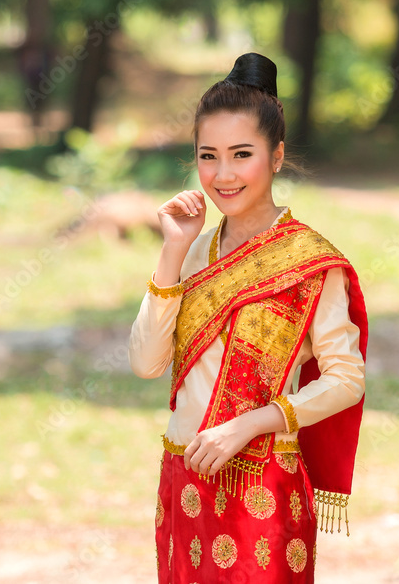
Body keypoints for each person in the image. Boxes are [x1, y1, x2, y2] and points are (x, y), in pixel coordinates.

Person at [127, 52, 368, 583]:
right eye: (208, 156)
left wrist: (250, 423)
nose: (224, 174)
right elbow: (146, 363)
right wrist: (171, 250)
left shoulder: (309, 262)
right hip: (184, 477)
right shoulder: (194, 251)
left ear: (276, 157)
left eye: (242, 154)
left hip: (262, 487)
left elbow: (346, 379)